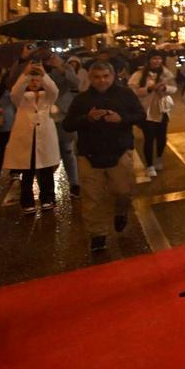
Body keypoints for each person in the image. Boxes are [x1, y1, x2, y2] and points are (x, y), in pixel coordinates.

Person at [64, 60, 146, 252]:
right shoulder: (82, 99)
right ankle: (97, 235)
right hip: (89, 154)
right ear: (90, 78)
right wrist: (87, 118)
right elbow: (68, 124)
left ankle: (121, 212)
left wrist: (121, 119)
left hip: (119, 152)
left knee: (123, 191)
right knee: (92, 197)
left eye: (105, 77)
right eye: (97, 77)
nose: (101, 81)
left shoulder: (125, 94)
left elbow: (141, 115)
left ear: (112, 76)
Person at [3, 62, 61, 214]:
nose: (34, 83)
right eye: (31, 81)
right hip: (26, 138)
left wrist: (43, 74)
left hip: (44, 137)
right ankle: (27, 201)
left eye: (37, 80)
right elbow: (15, 92)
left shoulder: (47, 98)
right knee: (27, 172)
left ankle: (48, 198)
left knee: (47, 170)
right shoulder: (21, 99)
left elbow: (54, 90)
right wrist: (25, 74)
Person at [128, 50, 176, 178]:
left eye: (159, 58)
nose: (157, 61)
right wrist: (149, 88)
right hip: (147, 111)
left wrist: (165, 88)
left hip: (162, 110)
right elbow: (133, 91)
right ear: (149, 60)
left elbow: (174, 88)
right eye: (154, 58)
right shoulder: (139, 74)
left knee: (162, 137)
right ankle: (149, 165)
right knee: (149, 138)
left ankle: (159, 158)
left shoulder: (166, 73)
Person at [47, 54, 82, 197]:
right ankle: (47, 188)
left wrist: (60, 67)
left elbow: (75, 82)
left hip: (62, 115)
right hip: (44, 117)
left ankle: (74, 183)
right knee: (46, 154)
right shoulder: (34, 67)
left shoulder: (64, 67)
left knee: (67, 150)